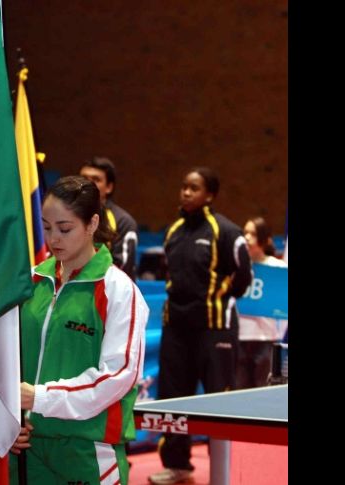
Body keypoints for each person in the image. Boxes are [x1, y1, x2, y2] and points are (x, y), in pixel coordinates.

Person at [9, 175, 149, 485]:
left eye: (65, 228)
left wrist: (39, 398)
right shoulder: (29, 281)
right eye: (46, 228)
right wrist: (7, 419)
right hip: (26, 448)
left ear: (91, 224)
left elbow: (117, 375)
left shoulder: (119, 291)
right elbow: (1, 357)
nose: (53, 239)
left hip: (88, 452)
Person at [149, 167, 252, 485]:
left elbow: (243, 277)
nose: (186, 193)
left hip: (214, 329)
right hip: (176, 329)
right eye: (183, 187)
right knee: (172, 400)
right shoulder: (174, 231)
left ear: (210, 194)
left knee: (220, 402)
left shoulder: (226, 232)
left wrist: (218, 302)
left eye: (194, 188)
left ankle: (225, 469)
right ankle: (178, 466)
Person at [237, 216, 287, 389]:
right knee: (238, 391)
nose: (247, 238)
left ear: (266, 240)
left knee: (262, 388)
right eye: (245, 233)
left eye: (253, 233)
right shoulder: (237, 266)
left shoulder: (279, 268)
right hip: (239, 337)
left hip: (266, 339)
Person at [80, 157, 139, 279]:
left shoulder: (123, 222)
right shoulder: (67, 216)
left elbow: (122, 271)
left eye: (96, 179)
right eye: (83, 179)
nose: (88, 184)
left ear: (109, 187)